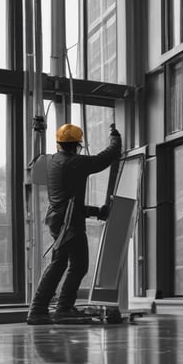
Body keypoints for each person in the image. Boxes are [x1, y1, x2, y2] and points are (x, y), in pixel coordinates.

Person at [27, 122, 121, 325]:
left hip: (61, 219)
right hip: (68, 223)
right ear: (77, 145)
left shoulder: (54, 161)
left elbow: (70, 199)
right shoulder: (73, 162)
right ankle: (51, 309)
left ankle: (49, 309)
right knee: (76, 265)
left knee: (65, 263)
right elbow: (103, 159)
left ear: (59, 143)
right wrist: (115, 139)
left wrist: (95, 211)